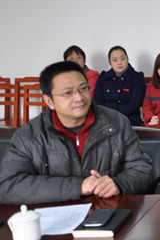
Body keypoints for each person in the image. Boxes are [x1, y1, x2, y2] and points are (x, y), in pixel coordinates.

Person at [0, 61, 152, 205]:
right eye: (68, 93)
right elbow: (8, 185)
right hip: (51, 216)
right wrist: (78, 187)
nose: (79, 97)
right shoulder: (29, 135)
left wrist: (119, 184)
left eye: (83, 88)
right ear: (49, 101)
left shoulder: (117, 123)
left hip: (106, 211)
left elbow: (142, 168)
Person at [93, 46, 146, 126]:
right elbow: (98, 101)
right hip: (105, 120)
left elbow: (135, 103)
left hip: (129, 120)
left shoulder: (137, 77)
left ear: (127, 59)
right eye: (115, 60)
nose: (119, 63)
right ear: (110, 63)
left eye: (122, 59)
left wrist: (115, 117)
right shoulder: (103, 77)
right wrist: (106, 117)